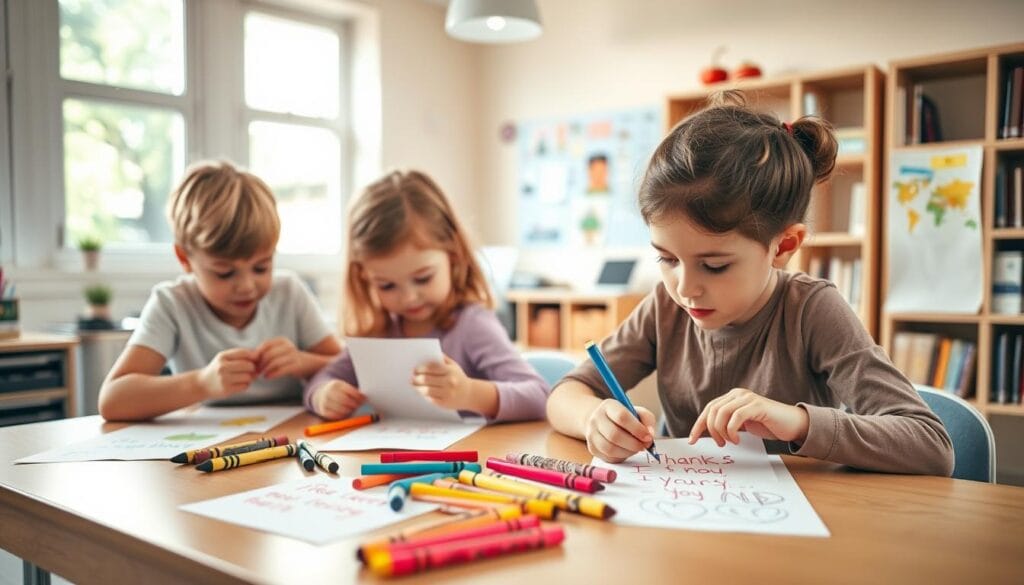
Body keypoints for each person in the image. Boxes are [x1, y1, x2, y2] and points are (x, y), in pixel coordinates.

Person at [546, 91, 954, 476]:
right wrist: (593, 419)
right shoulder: (665, 306)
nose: (686, 287)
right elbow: (567, 392)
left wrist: (796, 422)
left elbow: (932, 445)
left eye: (715, 265)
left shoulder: (811, 310)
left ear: (784, 246)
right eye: (666, 259)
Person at [98, 161, 341, 421]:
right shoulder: (172, 303)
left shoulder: (289, 292)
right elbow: (113, 400)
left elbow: (350, 368)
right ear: (185, 258)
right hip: (209, 443)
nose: (247, 286)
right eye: (225, 273)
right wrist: (202, 383)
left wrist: (304, 363)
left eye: (261, 267)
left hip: (295, 437)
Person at [305, 170, 549, 422]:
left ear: (453, 254)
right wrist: (322, 395)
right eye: (387, 285)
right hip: (395, 457)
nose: (409, 298)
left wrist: (469, 393)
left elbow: (539, 396)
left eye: (423, 278)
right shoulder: (379, 331)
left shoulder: (471, 325)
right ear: (364, 277)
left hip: (471, 457)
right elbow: (323, 379)